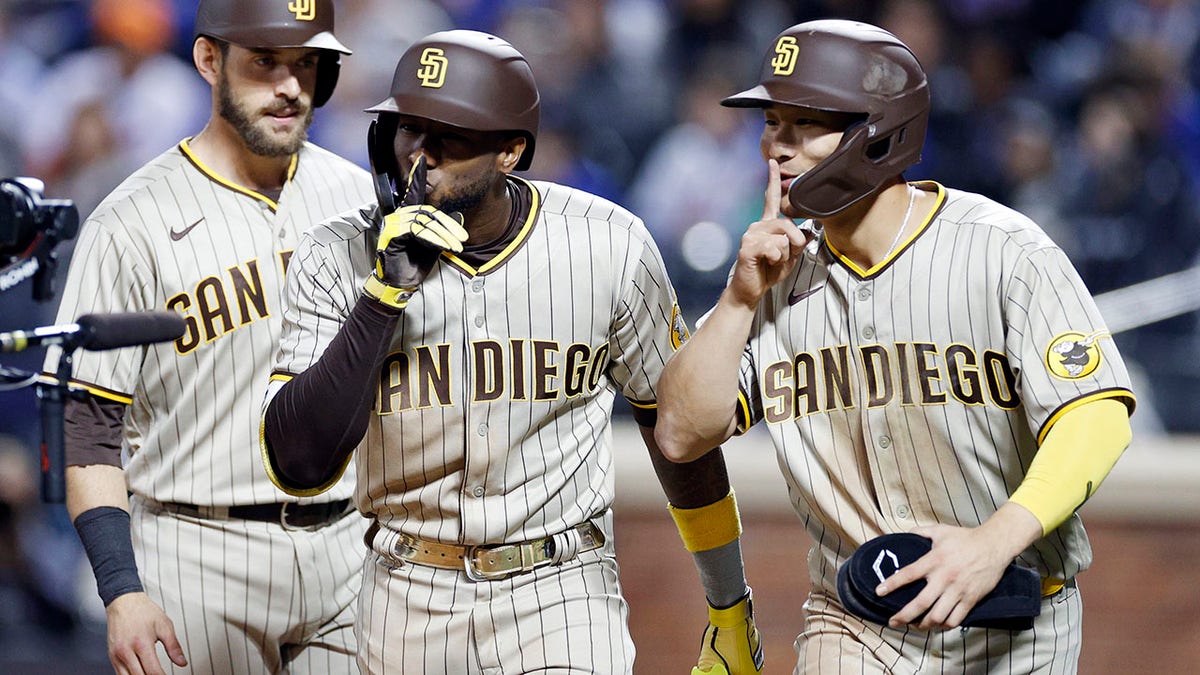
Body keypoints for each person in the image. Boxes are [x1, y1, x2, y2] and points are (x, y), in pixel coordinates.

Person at [260, 29, 762, 675]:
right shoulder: (337, 253)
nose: (421, 157)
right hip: (404, 588)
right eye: (407, 130)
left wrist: (728, 606)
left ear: (511, 150)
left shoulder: (607, 242)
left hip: (559, 588)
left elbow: (676, 433)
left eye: (450, 137)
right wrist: (383, 295)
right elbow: (299, 463)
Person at [655, 19, 1136, 673]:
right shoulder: (771, 277)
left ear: (878, 131)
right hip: (855, 624)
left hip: (1018, 622)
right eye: (772, 123)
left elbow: (1097, 412)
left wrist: (997, 538)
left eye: (804, 125)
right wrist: (738, 300)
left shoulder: (1001, 249)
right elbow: (681, 433)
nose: (776, 147)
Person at [43, 0, 373, 672]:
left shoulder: (359, 200)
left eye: (306, 64)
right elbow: (88, 428)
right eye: (264, 61)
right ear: (208, 59)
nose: (288, 85)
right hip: (195, 553)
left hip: (347, 551)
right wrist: (120, 589)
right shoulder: (129, 222)